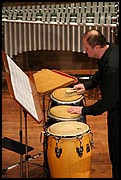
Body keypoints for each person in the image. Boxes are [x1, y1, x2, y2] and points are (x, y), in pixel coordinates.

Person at [67, 29, 119, 178]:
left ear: (96, 47)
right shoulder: (110, 49)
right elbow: (100, 74)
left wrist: (83, 110)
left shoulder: (113, 67)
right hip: (115, 104)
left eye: (86, 47)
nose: (84, 50)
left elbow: (107, 103)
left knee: (117, 156)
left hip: (117, 112)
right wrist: (86, 85)